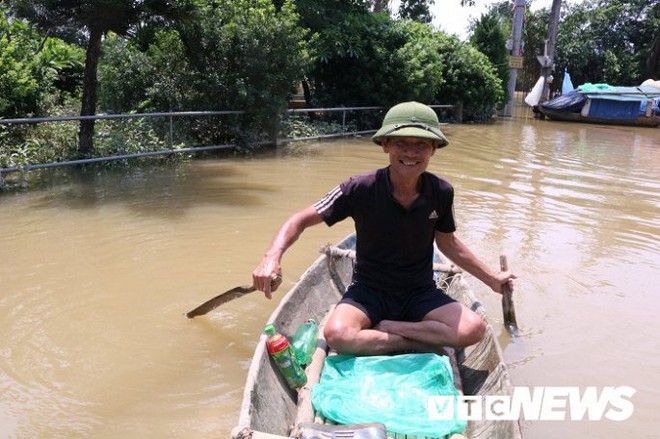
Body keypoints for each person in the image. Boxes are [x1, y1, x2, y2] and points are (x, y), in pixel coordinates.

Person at [252, 101, 515, 355]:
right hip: (369, 292)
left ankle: (391, 330)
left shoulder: (441, 192)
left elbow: (448, 243)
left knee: (474, 330)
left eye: (421, 144)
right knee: (338, 335)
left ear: (433, 149)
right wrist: (271, 257)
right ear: (386, 145)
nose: (411, 153)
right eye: (401, 143)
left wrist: (493, 279)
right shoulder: (359, 188)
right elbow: (300, 219)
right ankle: (411, 342)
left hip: (419, 292)